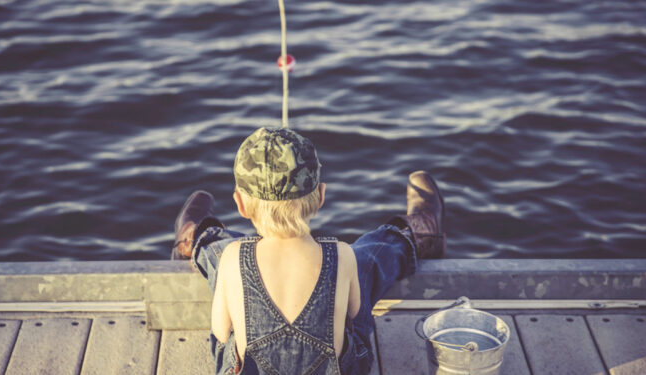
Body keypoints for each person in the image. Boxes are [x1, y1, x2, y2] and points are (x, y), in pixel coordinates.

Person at [172, 127, 445, 375]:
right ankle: (414, 233)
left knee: (225, 261)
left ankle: (199, 237)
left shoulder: (233, 257)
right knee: (362, 260)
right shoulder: (342, 255)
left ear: (240, 205)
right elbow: (354, 314)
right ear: (321, 196)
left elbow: (220, 333)